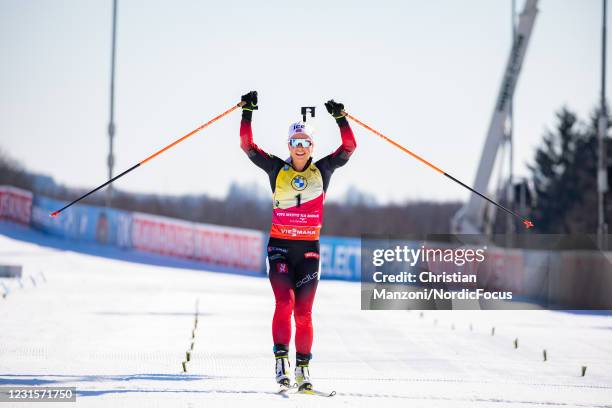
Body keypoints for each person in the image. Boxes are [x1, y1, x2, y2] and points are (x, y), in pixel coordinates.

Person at [239, 91, 356, 391]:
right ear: (289, 146)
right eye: (295, 143)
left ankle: (304, 368)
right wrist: (247, 112)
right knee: (284, 303)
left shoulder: (324, 170)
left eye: (305, 143)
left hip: (308, 252)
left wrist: (341, 118)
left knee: (304, 314)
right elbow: (247, 146)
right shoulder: (277, 169)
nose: (300, 148)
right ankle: (281, 361)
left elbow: (349, 146)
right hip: (279, 247)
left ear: (312, 147)